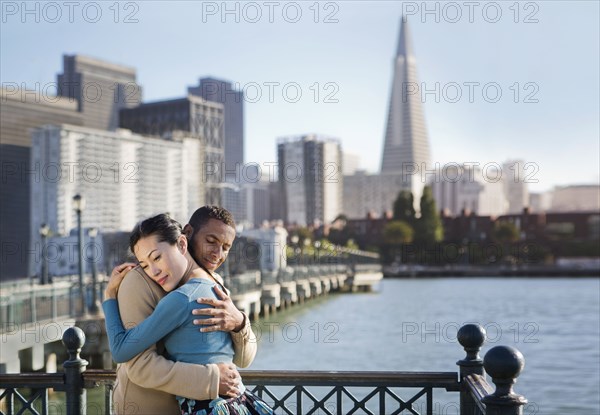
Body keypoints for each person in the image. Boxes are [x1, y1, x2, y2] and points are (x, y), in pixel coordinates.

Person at [104, 212, 273, 415]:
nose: (217, 253)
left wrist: (239, 322)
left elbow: (243, 360)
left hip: (211, 405)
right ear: (187, 236)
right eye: (211, 241)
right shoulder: (138, 282)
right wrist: (212, 379)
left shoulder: (213, 283)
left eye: (226, 248)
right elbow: (137, 364)